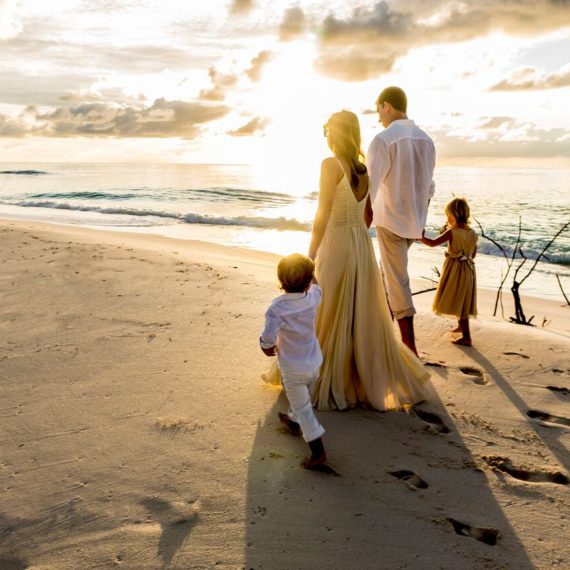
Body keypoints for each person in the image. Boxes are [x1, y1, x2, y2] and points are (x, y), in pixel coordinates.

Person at [308, 110, 429, 412]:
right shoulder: (364, 170)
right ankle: (356, 375)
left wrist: (310, 254)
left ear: (333, 134)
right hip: (361, 244)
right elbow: (369, 214)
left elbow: (323, 213)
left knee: (331, 306)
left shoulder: (329, 165)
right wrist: (357, 237)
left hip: (336, 242)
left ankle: (332, 374)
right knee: (356, 311)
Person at [367, 86, 436, 356]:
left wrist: (360, 222)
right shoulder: (426, 140)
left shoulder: (383, 140)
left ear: (387, 105)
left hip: (391, 221)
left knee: (396, 281)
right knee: (388, 276)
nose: (378, 118)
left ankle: (410, 350)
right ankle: (383, 336)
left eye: (378, 111)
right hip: (414, 222)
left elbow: (370, 188)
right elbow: (428, 186)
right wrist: (421, 222)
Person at [259, 253, 327, 469]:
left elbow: (269, 337)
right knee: (302, 399)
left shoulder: (276, 308)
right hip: (314, 362)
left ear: (280, 280)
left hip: (293, 368)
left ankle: (318, 453)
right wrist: (313, 275)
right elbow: (318, 288)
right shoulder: (312, 299)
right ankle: (292, 421)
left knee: (304, 407)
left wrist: (266, 346)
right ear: (308, 281)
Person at [421, 197, 478, 346]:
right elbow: (472, 255)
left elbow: (432, 243)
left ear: (452, 215)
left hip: (455, 270)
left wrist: (419, 235)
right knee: (463, 299)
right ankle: (461, 326)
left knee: (459, 300)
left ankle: (467, 337)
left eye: (448, 215)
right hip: (469, 270)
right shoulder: (473, 233)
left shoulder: (452, 232)